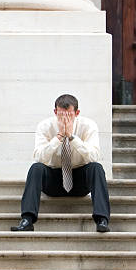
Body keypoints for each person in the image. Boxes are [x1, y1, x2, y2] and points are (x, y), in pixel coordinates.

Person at [10, 94, 111, 233]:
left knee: (96, 168)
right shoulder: (45, 126)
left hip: (80, 181)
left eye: (69, 115)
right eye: (60, 114)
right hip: (54, 181)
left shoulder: (88, 126)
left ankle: (102, 219)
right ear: (55, 112)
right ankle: (27, 219)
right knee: (36, 168)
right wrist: (58, 138)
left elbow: (94, 156)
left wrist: (72, 138)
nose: (64, 119)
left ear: (77, 113)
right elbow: (39, 157)